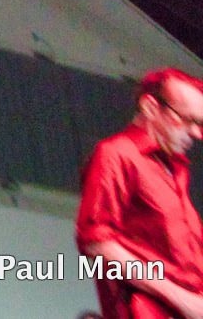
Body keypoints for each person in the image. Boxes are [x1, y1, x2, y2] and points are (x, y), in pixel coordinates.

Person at [77, 67, 203, 319]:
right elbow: (96, 243)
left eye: (199, 124)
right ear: (150, 107)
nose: (196, 133)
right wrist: (182, 299)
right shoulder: (117, 153)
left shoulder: (175, 167)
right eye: (187, 120)